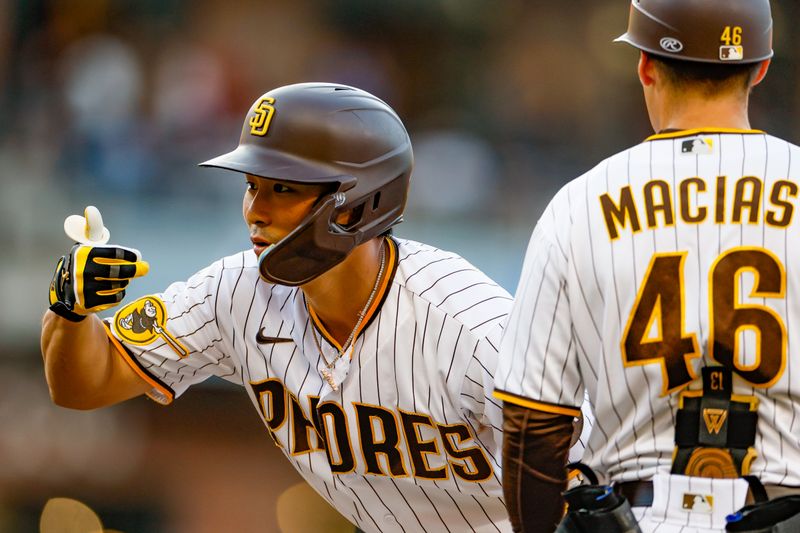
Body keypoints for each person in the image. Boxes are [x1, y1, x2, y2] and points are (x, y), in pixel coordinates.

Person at [42, 81, 524, 532]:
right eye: (252, 185)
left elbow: (588, 478)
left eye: (284, 188)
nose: (255, 209)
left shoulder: (469, 325)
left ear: (356, 201)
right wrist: (70, 311)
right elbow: (84, 385)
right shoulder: (233, 293)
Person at [494, 1, 800, 532]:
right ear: (761, 68)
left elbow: (532, 425)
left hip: (639, 515)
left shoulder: (579, 204)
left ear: (646, 66)